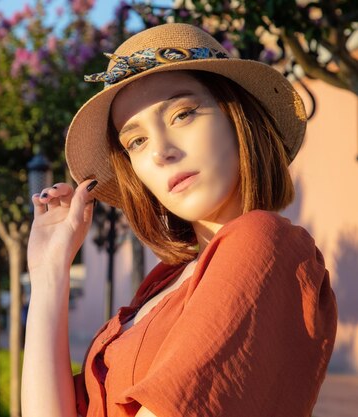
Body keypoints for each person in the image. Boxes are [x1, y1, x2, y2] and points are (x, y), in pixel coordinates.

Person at [22, 23, 337, 417]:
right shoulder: (164, 282)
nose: (160, 152)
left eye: (183, 114)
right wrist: (49, 274)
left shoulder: (263, 242)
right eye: (136, 141)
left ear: (237, 118)